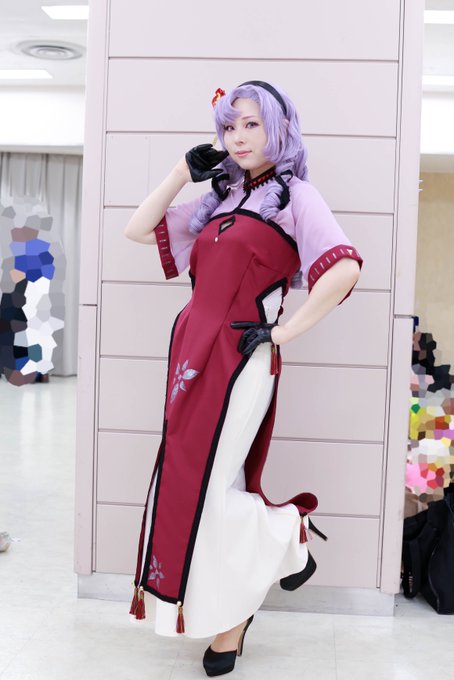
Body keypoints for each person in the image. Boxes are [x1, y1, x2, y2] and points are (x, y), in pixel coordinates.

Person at [124, 80, 363, 676]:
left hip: (241, 359)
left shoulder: (296, 195)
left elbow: (343, 269)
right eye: (230, 126)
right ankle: (232, 615)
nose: (238, 137)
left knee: (209, 487)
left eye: (251, 124)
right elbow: (138, 228)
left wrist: (282, 333)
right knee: (190, 483)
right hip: (190, 356)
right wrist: (181, 173)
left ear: (278, 128)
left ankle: (285, 531)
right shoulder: (221, 200)